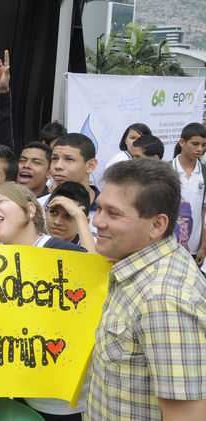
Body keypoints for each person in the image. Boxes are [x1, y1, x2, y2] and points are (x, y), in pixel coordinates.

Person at [86, 158, 206, 420]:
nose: (97, 222)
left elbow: (187, 416)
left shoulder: (164, 300)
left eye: (113, 214)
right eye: (100, 209)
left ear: (157, 225)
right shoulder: (135, 259)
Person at [0, 182, 86, 420]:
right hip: (20, 401)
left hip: (69, 404)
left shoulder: (65, 254)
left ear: (30, 210)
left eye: (0, 202)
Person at [43, 133, 99, 231]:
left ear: (90, 166)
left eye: (69, 159)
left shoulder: (106, 213)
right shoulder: (38, 207)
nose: (58, 166)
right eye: (55, 158)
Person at [171, 122, 206, 264]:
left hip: (194, 247)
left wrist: (203, 247)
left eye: (204, 145)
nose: (200, 149)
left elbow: (204, 212)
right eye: (195, 143)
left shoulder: (204, 172)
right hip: (168, 246)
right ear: (182, 142)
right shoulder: (166, 170)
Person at [45, 182, 96, 253]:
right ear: (46, 211)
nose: (57, 222)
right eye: (53, 212)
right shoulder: (37, 241)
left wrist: (79, 216)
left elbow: (92, 262)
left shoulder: (95, 246)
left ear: (85, 222)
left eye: (68, 215)